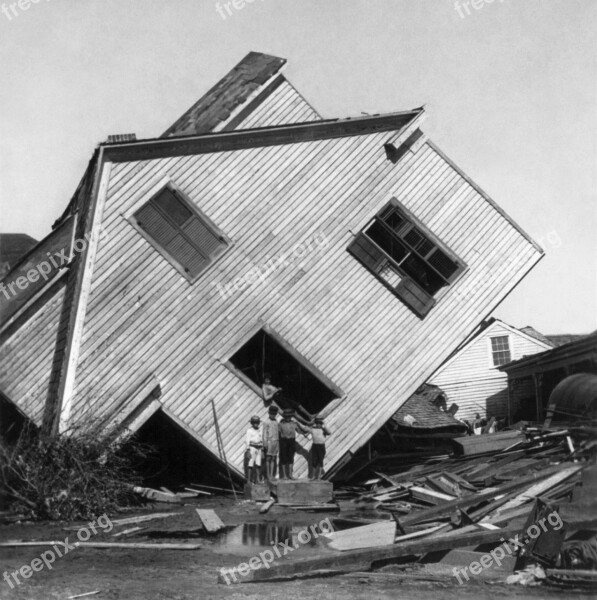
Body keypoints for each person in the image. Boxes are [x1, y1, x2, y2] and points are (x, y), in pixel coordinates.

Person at [278, 408, 309, 480]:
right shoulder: (280, 424)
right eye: (286, 416)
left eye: (289, 416)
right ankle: (284, 475)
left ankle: (290, 474)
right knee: (283, 458)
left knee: (290, 458)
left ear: (291, 417)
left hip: (291, 441)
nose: (288, 418)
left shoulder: (294, 424)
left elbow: (300, 431)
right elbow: (278, 434)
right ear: (284, 417)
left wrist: (306, 432)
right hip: (283, 441)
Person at [262, 405, 280, 480]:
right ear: (269, 413)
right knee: (268, 458)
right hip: (269, 441)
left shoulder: (276, 421)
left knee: (273, 458)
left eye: (274, 414)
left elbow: (278, 432)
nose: (273, 415)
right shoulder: (266, 422)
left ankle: (272, 475)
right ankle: (268, 475)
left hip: (276, 441)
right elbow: (264, 433)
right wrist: (265, 442)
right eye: (271, 414)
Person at [310, 416, 331, 480]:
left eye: (320, 423)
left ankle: (319, 476)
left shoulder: (324, 430)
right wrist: (312, 423)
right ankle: (313, 476)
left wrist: (325, 425)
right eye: (317, 423)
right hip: (314, 446)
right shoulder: (312, 429)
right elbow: (305, 429)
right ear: (315, 423)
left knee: (320, 461)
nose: (319, 424)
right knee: (314, 461)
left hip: (321, 446)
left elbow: (329, 432)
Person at [245, 415, 263, 483]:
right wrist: (248, 450)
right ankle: (249, 480)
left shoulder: (260, 430)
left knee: (258, 464)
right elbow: (247, 441)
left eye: (257, 422)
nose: (256, 424)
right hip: (252, 448)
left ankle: (258, 479)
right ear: (252, 423)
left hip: (259, 448)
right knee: (250, 464)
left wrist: (262, 448)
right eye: (254, 422)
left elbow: (261, 439)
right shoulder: (249, 431)